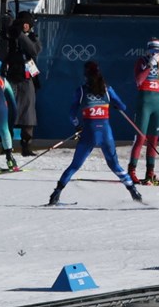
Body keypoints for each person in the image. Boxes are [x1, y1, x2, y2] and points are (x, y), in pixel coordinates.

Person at [49, 61, 142, 205]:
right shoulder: (107, 89)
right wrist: (115, 105)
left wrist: (77, 126)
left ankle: (56, 194)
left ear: (85, 75)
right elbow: (122, 106)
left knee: (74, 166)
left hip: (89, 132)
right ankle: (134, 192)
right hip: (105, 133)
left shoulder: (81, 91)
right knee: (115, 165)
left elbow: (71, 115)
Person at [127, 37, 159, 185]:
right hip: (144, 103)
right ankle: (131, 171)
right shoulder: (142, 62)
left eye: (156, 51)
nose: (154, 54)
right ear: (147, 50)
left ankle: (150, 172)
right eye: (152, 50)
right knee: (140, 138)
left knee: (153, 140)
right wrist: (149, 65)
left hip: (157, 104)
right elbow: (138, 81)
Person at [2, 11, 41, 157]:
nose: (25, 26)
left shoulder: (32, 37)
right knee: (8, 111)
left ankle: (26, 145)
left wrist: (20, 35)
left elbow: (34, 50)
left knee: (28, 113)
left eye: (27, 24)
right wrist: (9, 29)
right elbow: (3, 51)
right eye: (23, 24)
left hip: (27, 78)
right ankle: (6, 145)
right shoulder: (10, 36)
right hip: (11, 77)